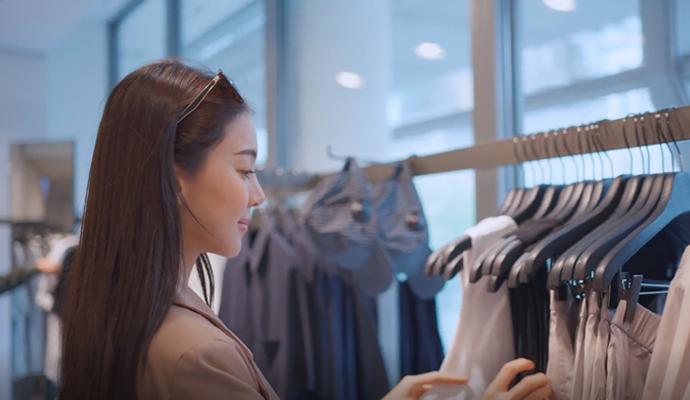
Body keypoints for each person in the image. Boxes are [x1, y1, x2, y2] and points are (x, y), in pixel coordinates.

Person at [59, 60, 552, 400]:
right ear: (173, 177)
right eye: (244, 169)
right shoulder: (194, 354)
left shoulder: (118, 308)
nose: (259, 194)